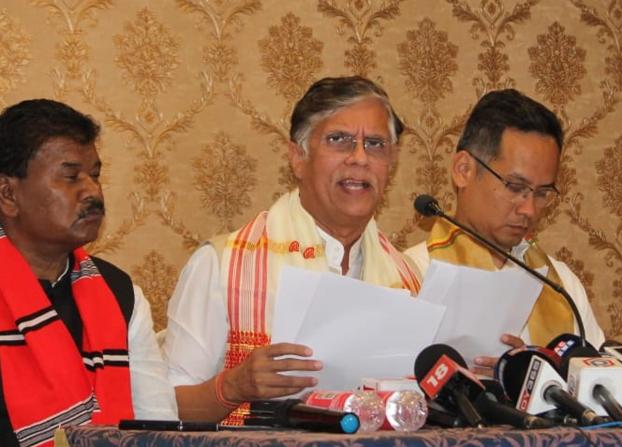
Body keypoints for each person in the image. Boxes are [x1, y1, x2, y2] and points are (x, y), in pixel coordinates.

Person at [163, 76, 422, 423]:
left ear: (390, 164)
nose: (360, 158)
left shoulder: (409, 281)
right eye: (339, 140)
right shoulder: (221, 264)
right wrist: (232, 387)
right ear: (298, 157)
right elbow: (165, 407)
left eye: (375, 144)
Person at [0, 99, 176, 446]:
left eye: (94, 175)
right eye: (70, 177)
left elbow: (157, 428)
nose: (93, 192)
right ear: (7, 194)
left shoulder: (119, 293)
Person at [405, 89, 605, 369]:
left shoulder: (560, 285)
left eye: (542, 192)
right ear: (463, 170)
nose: (530, 210)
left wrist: (531, 375)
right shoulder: (412, 277)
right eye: (515, 187)